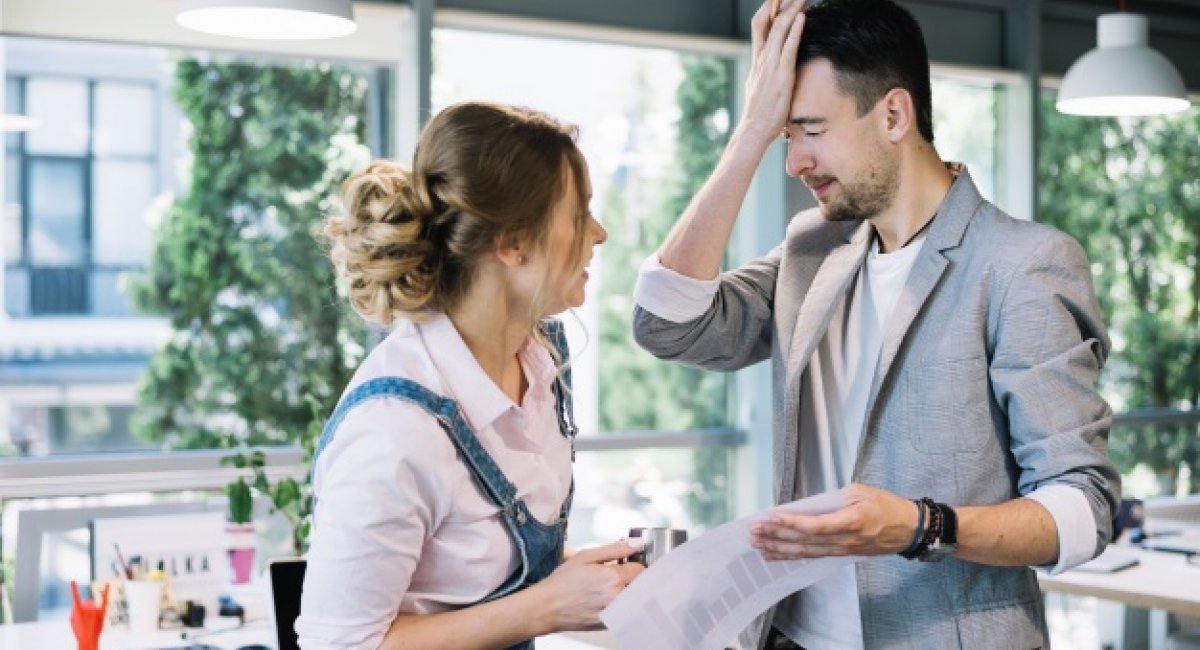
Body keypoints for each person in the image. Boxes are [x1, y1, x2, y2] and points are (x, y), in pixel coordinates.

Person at [631, 0, 1121, 648]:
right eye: (784, 134)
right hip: (791, 636)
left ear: (894, 114)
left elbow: (1084, 509)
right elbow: (666, 323)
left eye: (810, 128)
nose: (793, 162)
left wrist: (922, 526)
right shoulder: (812, 249)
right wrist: (751, 128)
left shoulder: (1020, 265)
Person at [297, 101, 644, 650]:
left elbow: (484, 576)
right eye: (579, 215)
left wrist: (594, 583)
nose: (597, 234)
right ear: (510, 243)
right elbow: (338, 646)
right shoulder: (393, 431)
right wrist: (548, 606)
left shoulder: (541, 359)